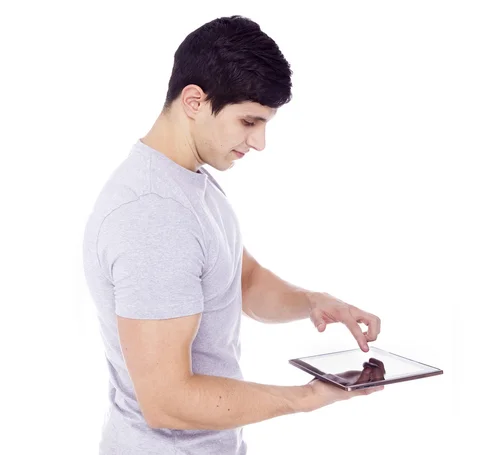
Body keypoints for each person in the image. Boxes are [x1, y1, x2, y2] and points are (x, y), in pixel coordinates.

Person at [82, 15, 383, 455]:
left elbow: (241, 280)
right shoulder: (152, 215)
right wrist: (304, 398)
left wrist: (313, 302)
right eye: (248, 122)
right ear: (194, 101)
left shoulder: (188, 181)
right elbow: (166, 402)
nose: (259, 142)